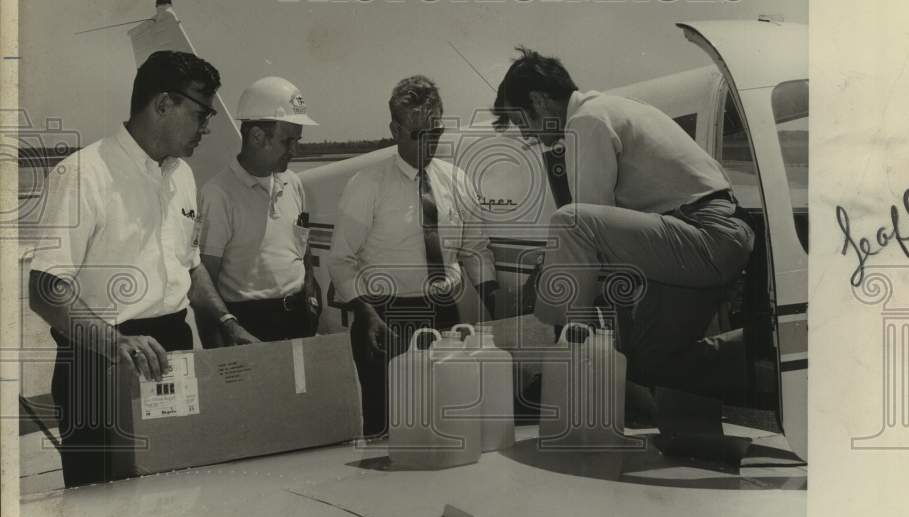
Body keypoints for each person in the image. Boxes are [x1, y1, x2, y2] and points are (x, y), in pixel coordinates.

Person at [28, 50, 259, 488]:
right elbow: (44, 288)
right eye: (201, 114)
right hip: (97, 364)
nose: (207, 128)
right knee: (99, 516)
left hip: (171, 356)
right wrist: (116, 342)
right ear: (163, 105)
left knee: (176, 497)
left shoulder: (183, 176)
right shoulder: (83, 174)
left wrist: (224, 319)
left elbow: (189, 267)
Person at [491, 47, 755, 391]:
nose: (526, 135)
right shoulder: (616, 107)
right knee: (653, 361)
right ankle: (756, 349)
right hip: (704, 234)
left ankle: (573, 355)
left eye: (520, 121)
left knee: (569, 222)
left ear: (540, 102)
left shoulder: (587, 120)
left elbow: (586, 224)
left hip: (704, 233)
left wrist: (553, 297)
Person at [329, 75, 497, 436]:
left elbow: (476, 249)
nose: (429, 143)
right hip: (384, 318)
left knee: (446, 419)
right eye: (418, 133)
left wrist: (496, 305)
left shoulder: (458, 180)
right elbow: (341, 260)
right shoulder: (366, 185)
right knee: (388, 423)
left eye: (435, 132)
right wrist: (367, 314)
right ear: (395, 129)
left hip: (444, 314)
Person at [198, 77, 321, 341]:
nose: (295, 151)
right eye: (287, 141)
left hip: (300, 319)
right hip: (250, 325)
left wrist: (310, 294)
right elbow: (205, 280)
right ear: (256, 137)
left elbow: (303, 246)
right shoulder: (218, 194)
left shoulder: (293, 183)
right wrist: (217, 351)